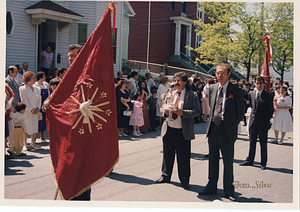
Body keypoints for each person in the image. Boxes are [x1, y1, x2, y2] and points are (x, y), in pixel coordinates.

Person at [43, 44, 91, 201]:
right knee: (68, 168)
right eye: (69, 56)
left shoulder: (87, 74)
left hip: (83, 129)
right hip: (68, 129)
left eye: (74, 55)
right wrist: (48, 101)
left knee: (82, 172)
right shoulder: (67, 75)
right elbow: (58, 96)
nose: (70, 58)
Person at [198, 63, 244, 201]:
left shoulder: (236, 90)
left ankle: (229, 190)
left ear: (229, 74)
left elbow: (240, 112)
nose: (219, 75)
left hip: (227, 130)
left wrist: (230, 124)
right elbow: (211, 107)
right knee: (213, 160)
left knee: (228, 162)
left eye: (222, 72)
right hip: (213, 129)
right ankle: (211, 186)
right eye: (217, 73)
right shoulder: (211, 88)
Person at [156, 72, 201, 190]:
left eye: (179, 80)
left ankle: (184, 179)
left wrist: (183, 113)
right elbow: (162, 106)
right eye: (174, 80)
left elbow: (197, 111)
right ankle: (165, 175)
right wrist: (164, 112)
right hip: (169, 128)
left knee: (183, 156)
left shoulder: (192, 95)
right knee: (167, 154)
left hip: (183, 130)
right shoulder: (170, 93)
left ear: (185, 82)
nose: (176, 83)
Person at [240, 76, 274, 170]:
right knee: (252, 142)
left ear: (264, 84)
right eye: (257, 83)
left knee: (263, 143)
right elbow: (251, 105)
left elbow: (270, 110)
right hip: (253, 121)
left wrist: (267, 120)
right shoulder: (251, 93)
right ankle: (250, 160)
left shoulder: (268, 95)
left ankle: (263, 163)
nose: (258, 85)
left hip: (263, 122)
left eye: (260, 83)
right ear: (255, 83)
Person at [19, 71, 41, 150]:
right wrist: (31, 109)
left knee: (34, 126)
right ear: (28, 79)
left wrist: (38, 108)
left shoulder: (37, 88)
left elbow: (39, 99)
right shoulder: (23, 88)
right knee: (26, 127)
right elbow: (24, 100)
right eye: (33, 78)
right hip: (27, 111)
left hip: (35, 110)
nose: (35, 80)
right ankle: (25, 144)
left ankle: (33, 143)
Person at [5, 66, 21, 147]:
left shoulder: (16, 81)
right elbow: (9, 95)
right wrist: (14, 103)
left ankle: (14, 143)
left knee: (14, 126)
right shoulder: (6, 81)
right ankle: (10, 143)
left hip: (17, 106)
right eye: (15, 71)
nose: (17, 73)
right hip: (10, 106)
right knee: (10, 127)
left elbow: (17, 93)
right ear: (10, 72)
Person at [34, 71, 50, 142]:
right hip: (38, 103)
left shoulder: (46, 84)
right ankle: (34, 138)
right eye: (44, 76)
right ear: (40, 78)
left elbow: (48, 94)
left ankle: (42, 137)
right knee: (37, 121)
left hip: (44, 103)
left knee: (43, 121)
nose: (45, 77)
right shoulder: (36, 85)